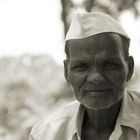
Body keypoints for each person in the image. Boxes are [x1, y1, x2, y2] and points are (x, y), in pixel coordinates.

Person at [30, 12, 140, 140]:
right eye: (81, 66)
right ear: (66, 72)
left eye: (109, 64)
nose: (96, 78)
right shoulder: (45, 134)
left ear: (129, 68)